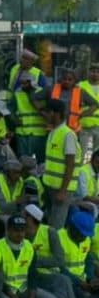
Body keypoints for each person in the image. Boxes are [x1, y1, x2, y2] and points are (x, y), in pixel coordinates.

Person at [42, 98, 80, 228]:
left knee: (56, 227)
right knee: (50, 224)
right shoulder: (53, 132)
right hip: (50, 187)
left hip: (61, 189)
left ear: (55, 113)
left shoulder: (68, 134)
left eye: (47, 112)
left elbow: (70, 165)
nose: (45, 115)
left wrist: (63, 190)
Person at [78, 63, 99, 161]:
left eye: (97, 72)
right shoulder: (81, 85)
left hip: (98, 126)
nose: (95, 74)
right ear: (88, 72)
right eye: (93, 71)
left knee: (97, 156)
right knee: (82, 154)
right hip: (84, 125)